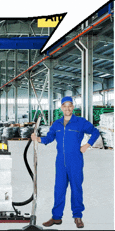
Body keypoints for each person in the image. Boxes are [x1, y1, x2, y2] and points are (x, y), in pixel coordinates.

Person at [31, 96, 100, 228]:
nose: (67, 108)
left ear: (73, 107)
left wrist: (87, 145)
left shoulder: (80, 122)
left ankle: (78, 217)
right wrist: (38, 139)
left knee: (76, 188)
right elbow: (50, 137)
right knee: (59, 189)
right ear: (61, 107)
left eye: (70, 105)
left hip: (75, 160)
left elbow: (95, 132)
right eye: (64, 106)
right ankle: (56, 217)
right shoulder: (56, 124)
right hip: (60, 161)